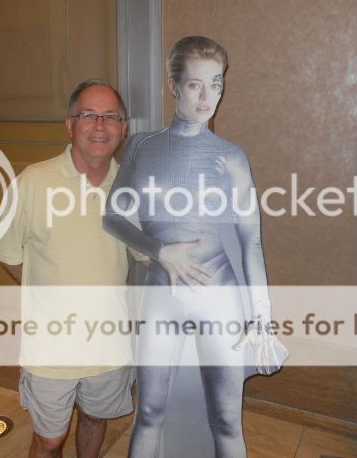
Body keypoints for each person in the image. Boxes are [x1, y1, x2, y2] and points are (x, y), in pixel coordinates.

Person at [103, 36, 283, 458]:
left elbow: (251, 241)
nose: (207, 98)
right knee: (149, 413)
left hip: (219, 299)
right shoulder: (143, 146)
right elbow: (112, 217)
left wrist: (262, 318)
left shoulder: (232, 157)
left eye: (216, 84)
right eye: (195, 85)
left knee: (226, 420)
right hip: (161, 294)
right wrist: (160, 251)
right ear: (173, 85)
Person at [0, 79, 134, 458]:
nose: (100, 125)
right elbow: (7, 253)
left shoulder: (132, 188)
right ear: (70, 125)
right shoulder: (33, 182)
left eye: (110, 116)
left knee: (94, 418)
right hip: (50, 347)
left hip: (109, 344)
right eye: (88, 115)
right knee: (49, 440)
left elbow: (148, 256)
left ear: (124, 128)